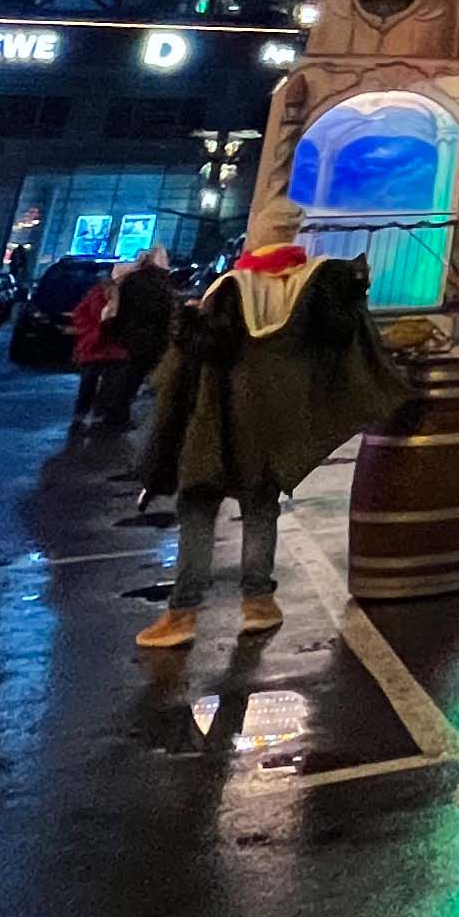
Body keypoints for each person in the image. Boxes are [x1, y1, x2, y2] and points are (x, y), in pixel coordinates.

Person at [134, 199, 405, 649]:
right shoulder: (307, 285)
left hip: (217, 419)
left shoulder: (233, 287)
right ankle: (259, 603)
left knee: (199, 508)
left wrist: (183, 319)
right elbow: (337, 334)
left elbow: (211, 347)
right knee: (261, 507)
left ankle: (181, 614)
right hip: (272, 421)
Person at [100, 252, 180, 437]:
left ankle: (116, 414)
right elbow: (159, 309)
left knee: (130, 377)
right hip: (145, 336)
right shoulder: (155, 283)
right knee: (133, 377)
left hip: (134, 334)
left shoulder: (135, 280)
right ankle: (117, 415)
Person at [66, 275, 132, 438]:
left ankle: (97, 415)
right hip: (95, 346)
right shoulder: (95, 296)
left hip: (113, 349)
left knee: (108, 385)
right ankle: (82, 414)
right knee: (89, 382)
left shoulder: (126, 300)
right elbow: (81, 314)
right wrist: (92, 331)